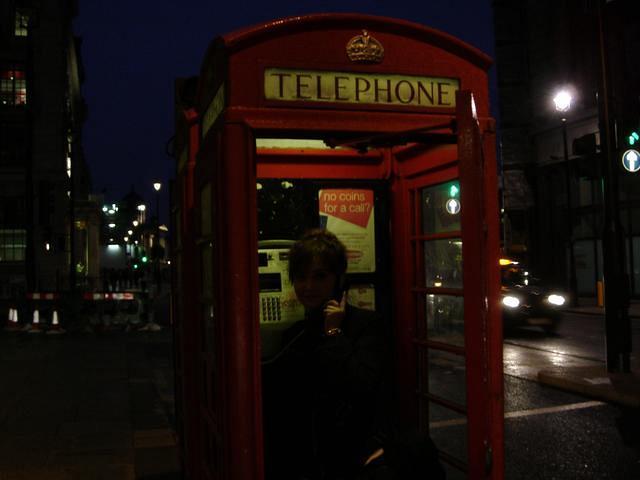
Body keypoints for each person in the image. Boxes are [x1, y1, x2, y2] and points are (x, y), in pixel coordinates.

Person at [262, 228, 392, 480]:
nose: (308, 286)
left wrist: (333, 332)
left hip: (353, 462)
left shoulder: (367, 325)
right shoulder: (295, 335)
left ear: (339, 279)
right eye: (301, 277)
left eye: (319, 276)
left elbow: (361, 385)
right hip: (305, 464)